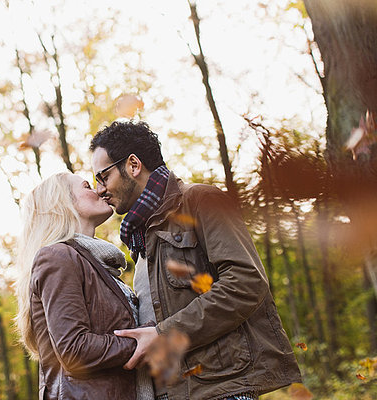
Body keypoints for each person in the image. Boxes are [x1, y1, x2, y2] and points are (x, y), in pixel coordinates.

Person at [90, 120, 302, 400]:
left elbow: (246, 282)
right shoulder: (141, 238)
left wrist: (163, 334)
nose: (99, 190)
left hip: (220, 389)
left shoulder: (201, 200)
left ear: (132, 165)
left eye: (102, 176)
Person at [15, 172, 154, 400]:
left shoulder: (97, 266)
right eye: (87, 186)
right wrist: (144, 340)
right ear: (63, 202)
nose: (100, 190)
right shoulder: (58, 256)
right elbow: (74, 350)